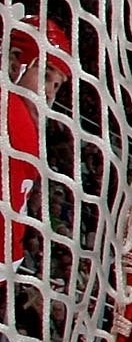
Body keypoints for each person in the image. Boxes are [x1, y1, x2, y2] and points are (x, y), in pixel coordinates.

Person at [4, 14, 70, 263]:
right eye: (45, 75)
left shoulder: (27, 133)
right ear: (14, 63)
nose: (49, 93)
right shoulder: (11, 111)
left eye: (56, 86)